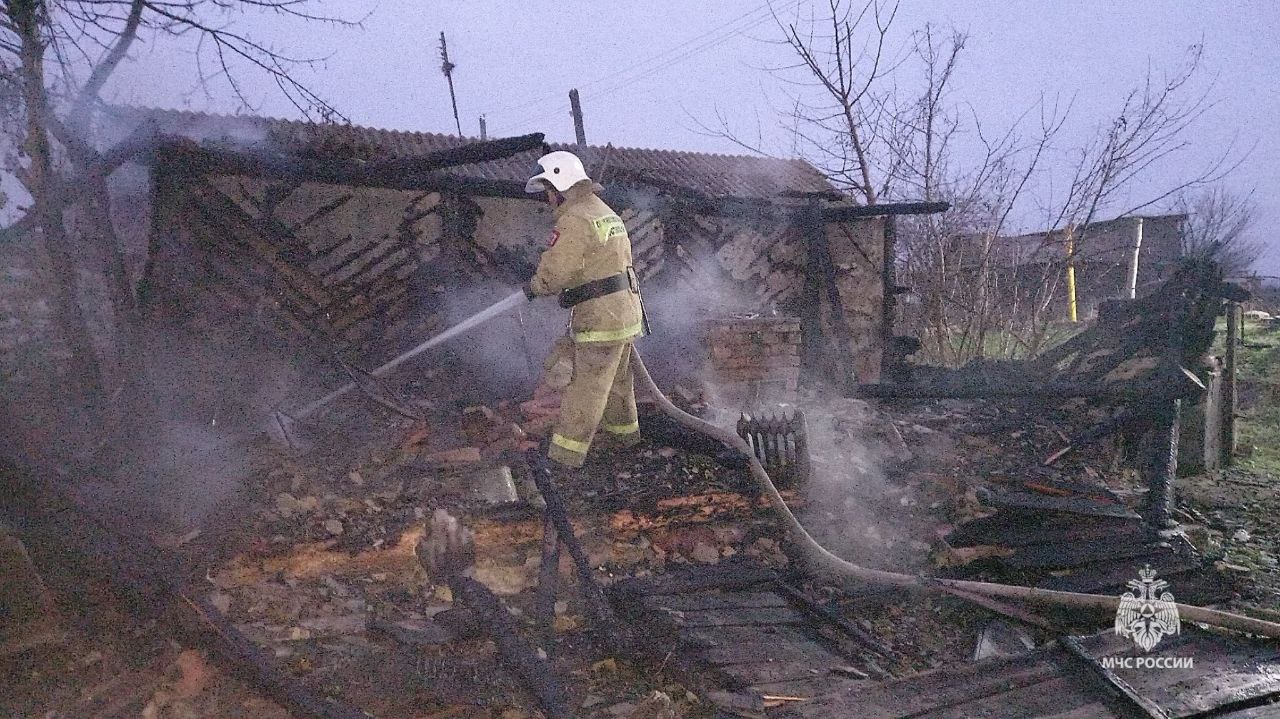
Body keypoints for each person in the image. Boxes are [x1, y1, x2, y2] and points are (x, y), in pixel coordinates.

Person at [521, 150, 647, 469]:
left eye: (548, 191)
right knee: (618, 384)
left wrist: (536, 286)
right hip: (624, 313)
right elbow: (596, 262)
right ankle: (625, 442)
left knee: (586, 389)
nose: (548, 199)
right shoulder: (603, 212)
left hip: (601, 318)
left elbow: (557, 272)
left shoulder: (575, 219)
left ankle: (566, 459)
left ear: (559, 187)